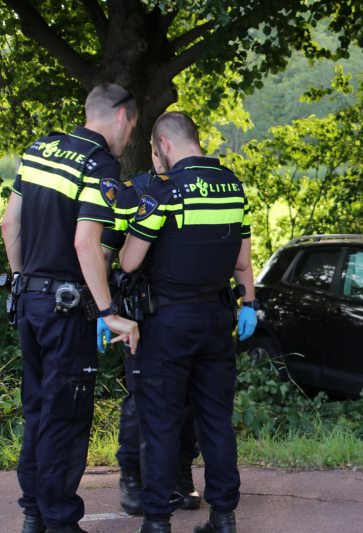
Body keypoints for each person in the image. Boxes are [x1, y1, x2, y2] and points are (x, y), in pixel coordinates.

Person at [1, 84, 140, 533]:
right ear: (122, 117)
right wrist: (105, 311)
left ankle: (33, 514)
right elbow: (86, 242)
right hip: (67, 308)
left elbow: (9, 222)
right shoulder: (100, 163)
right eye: (133, 127)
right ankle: (60, 521)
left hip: (29, 301)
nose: (131, 139)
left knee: (39, 407)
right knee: (66, 412)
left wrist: (23, 280)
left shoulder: (39, 150)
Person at [118, 111, 257, 533]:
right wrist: (249, 302)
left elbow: (129, 261)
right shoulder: (233, 188)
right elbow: (242, 262)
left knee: (160, 422)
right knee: (215, 419)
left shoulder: (165, 191)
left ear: (163, 144)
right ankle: (223, 517)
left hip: (167, 322)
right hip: (218, 319)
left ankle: (157, 521)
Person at [97, 156, 201, 515]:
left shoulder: (193, 191)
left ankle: (181, 474)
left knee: (186, 395)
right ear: (158, 152)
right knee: (143, 397)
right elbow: (105, 249)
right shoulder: (132, 192)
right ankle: (132, 475)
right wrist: (103, 307)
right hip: (139, 314)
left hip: (182, 311)